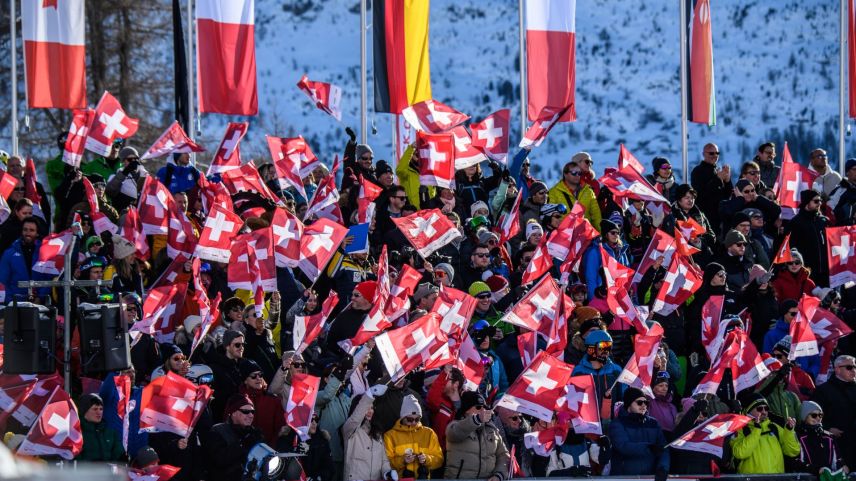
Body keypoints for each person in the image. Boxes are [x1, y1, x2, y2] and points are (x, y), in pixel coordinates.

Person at [443, 391, 510, 480]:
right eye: (478, 407)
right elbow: (454, 434)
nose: (483, 411)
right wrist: (477, 419)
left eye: (484, 408)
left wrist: (499, 475)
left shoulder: (492, 429)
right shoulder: (454, 425)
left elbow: (503, 455)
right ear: (466, 409)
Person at [731, 392, 800, 474]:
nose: (764, 412)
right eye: (759, 409)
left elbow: (793, 451)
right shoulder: (739, 429)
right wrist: (756, 430)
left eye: (766, 408)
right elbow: (740, 453)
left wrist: (789, 431)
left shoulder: (774, 427)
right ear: (748, 410)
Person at [608, 387, 669, 478]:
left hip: (650, 477)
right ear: (629, 404)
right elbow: (623, 446)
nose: (644, 405)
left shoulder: (653, 423)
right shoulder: (617, 423)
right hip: (624, 478)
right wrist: (649, 447)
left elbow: (664, 448)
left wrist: (663, 468)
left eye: (646, 402)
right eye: (639, 402)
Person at [204, 394, 264, 481]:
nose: (251, 415)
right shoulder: (218, 430)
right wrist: (242, 444)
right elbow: (219, 460)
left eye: (253, 412)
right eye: (246, 411)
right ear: (233, 413)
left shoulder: (254, 433)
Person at [383, 394, 444, 478]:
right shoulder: (390, 436)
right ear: (402, 417)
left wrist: (426, 459)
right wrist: (402, 460)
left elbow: (439, 460)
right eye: (410, 419)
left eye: (417, 419)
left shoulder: (429, 433)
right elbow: (385, 463)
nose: (414, 423)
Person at [343, 385, 396, 481]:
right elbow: (356, 418)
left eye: (371, 408)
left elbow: (383, 460)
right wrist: (369, 394)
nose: (370, 411)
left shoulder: (377, 433)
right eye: (367, 408)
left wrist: (387, 472)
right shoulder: (350, 429)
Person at [812, 355, 856, 469]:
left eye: (855, 367)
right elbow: (811, 416)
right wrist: (827, 429)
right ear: (837, 369)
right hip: (837, 446)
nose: (854, 371)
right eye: (849, 367)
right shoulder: (823, 391)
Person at [785, 189, 830, 286]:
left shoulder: (823, 221)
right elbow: (791, 248)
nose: (819, 204)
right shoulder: (796, 222)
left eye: (820, 201)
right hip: (807, 272)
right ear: (806, 202)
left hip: (825, 272)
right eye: (816, 201)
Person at [237, 359, 286, 445]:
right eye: (253, 376)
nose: (258, 378)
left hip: (269, 451)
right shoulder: (237, 401)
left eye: (260, 375)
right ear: (245, 380)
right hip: (243, 452)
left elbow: (280, 429)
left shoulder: (273, 400)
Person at [793, 401, 845, 474]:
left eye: (820, 415)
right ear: (804, 417)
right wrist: (816, 470)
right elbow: (797, 463)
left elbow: (837, 460)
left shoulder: (829, 437)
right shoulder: (799, 437)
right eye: (814, 415)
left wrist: (842, 466)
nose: (818, 418)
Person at [690, 143, 732, 233]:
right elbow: (700, 194)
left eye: (717, 153)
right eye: (711, 153)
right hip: (706, 217)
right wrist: (718, 179)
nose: (715, 156)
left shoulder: (717, 170)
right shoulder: (698, 171)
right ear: (703, 154)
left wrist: (727, 180)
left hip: (720, 217)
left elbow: (727, 195)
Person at [548, 159, 601, 229]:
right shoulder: (554, 192)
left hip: (585, 235)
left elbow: (596, 216)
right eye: (573, 172)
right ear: (565, 174)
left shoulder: (588, 191)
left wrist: (599, 235)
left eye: (579, 173)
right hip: (563, 236)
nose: (577, 175)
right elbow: (551, 217)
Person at [76, 393, 126, 462]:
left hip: (108, 471)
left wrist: (124, 458)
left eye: (101, 409)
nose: (99, 412)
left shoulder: (110, 432)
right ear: (84, 411)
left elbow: (118, 455)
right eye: (95, 409)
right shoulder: (76, 433)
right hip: (85, 471)